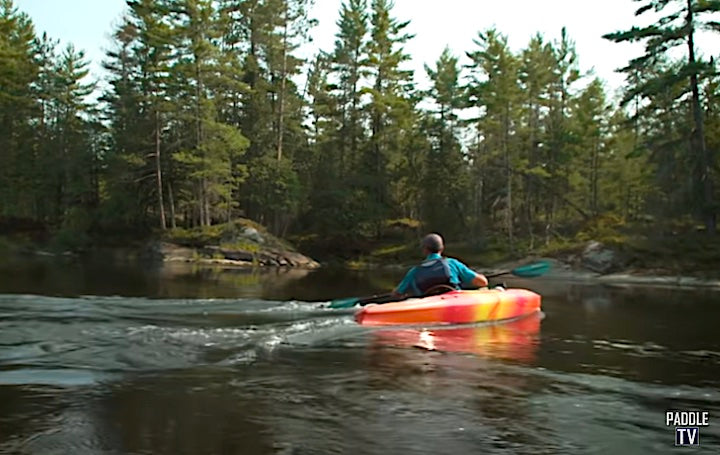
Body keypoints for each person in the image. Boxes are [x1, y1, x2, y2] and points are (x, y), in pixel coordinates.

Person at [392, 233, 489, 298]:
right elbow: (482, 282)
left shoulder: (414, 271)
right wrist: (482, 277)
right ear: (442, 248)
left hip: (428, 306)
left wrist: (401, 294)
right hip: (455, 301)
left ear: (425, 250)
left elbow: (397, 293)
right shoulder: (452, 263)